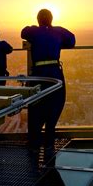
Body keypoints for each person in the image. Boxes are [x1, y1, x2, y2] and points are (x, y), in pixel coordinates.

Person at [21, 9, 75, 150]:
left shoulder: (33, 32)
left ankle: (35, 143)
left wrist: (36, 30)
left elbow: (23, 32)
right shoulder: (58, 31)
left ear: (38, 20)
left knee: (36, 105)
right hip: (54, 73)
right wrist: (57, 43)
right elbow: (72, 41)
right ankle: (49, 141)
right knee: (56, 103)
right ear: (52, 19)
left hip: (38, 74)